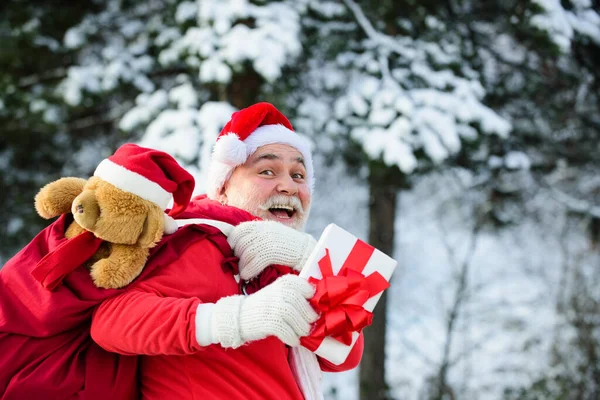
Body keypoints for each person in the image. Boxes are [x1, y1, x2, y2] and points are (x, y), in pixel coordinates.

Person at [90, 102, 364, 400]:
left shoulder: (284, 263)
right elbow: (110, 323)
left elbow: (344, 353)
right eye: (267, 171)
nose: (288, 186)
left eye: (298, 175)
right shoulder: (195, 241)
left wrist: (307, 256)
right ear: (222, 188)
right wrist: (238, 318)